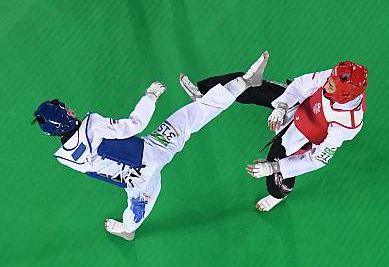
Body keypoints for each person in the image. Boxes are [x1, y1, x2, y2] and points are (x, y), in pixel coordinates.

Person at [32, 52, 269, 240]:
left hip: (136, 179)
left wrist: (131, 180)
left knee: (137, 208)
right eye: (67, 111)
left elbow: (98, 170)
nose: (71, 110)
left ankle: (127, 228)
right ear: (64, 120)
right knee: (191, 116)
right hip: (153, 151)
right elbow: (135, 125)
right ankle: (245, 82)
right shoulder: (91, 126)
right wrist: (149, 97)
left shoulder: (64, 157)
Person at [181, 61, 368, 212]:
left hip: (304, 134)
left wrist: (275, 167)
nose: (326, 82)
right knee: (246, 83)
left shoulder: (346, 123)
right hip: (299, 106)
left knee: (275, 171)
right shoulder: (336, 78)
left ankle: (278, 195)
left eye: (331, 85)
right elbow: (302, 84)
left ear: (344, 95)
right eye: (328, 79)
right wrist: (282, 106)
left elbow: (318, 159)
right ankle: (204, 94)